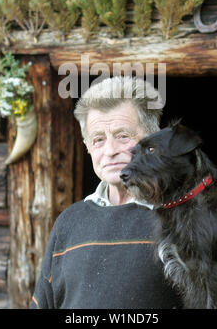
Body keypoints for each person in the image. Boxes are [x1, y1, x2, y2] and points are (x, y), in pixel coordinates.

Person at [30, 76, 182, 309]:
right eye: (98, 139)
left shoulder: (184, 218)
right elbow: (43, 303)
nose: (110, 151)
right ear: (88, 146)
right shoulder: (69, 222)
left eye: (123, 136)